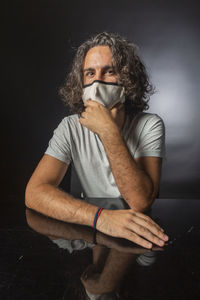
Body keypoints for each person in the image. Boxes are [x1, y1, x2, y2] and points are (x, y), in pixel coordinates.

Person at [25, 32, 169, 249]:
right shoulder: (70, 127)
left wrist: (108, 131)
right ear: (81, 81)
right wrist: (100, 218)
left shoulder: (150, 125)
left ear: (128, 79)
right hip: (88, 230)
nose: (98, 81)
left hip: (139, 236)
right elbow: (34, 193)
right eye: (90, 73)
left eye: (109, 71)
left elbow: (140, 202)